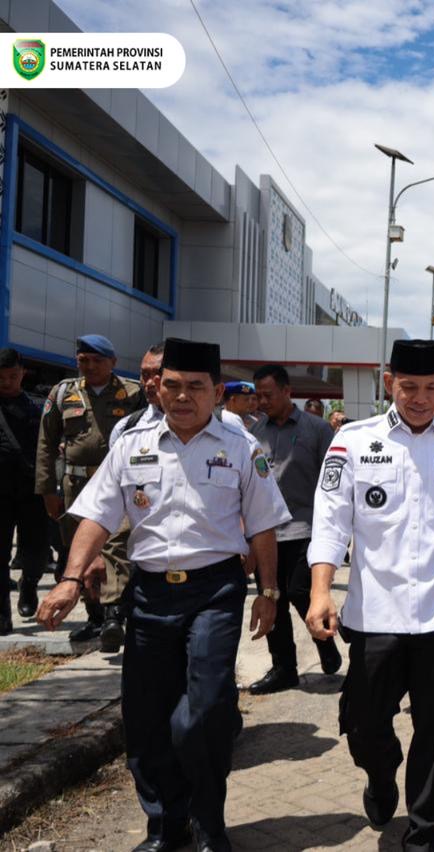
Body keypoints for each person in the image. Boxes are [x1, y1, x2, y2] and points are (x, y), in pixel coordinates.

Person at [36, 337, 291, 852]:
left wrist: (268, 590)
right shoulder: (132, 442)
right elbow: (97, 516)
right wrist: (70, 578)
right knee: (147, 718)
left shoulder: (240, 446)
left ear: (216, 391)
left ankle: (208, 822)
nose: (181, 396)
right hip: (150, 594)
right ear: (158, 386)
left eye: (195, 387)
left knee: (204, 711)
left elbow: (264, 524)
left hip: (215, 590)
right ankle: (166, 826)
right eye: (171, 385)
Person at [305, 339, 434, 852]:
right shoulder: (352, 442)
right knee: (365, 726)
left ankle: (426, 833)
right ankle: (380, 774)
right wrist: (320, 592)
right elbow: (330, 524)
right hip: (375, 617)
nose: (419, 398)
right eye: (409, 387)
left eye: (431, 388)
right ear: (390, 383)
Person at [35, 334, 144, 649]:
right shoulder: (63, 393)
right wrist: (47, 489)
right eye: (84, 360)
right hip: (76, 486)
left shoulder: (133, 393)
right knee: (79, 551)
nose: (90, 366)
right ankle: (95, 617)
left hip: (118, 484)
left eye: (97, 360)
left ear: (113, 362)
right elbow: (46, 444)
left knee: (115, 547)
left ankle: (113, 615)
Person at [246, 365, 342, 694]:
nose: (262, 402)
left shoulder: (317, 430)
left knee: (301, 590)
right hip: (266, 533)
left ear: (287, 392)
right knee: (272, 597)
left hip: (307, 527)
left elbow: (335, 481)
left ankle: (324, 641)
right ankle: (283, 668)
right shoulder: (254, 433)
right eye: (258, 396)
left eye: (268, 395)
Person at [0, 349, 49, 634]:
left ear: (22, 373)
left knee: (37, 551)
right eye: (1, 377)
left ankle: (29, 583)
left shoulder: (37, 406)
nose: (7, 382)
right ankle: (2, 615)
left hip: (32, 491)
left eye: (12, 376)